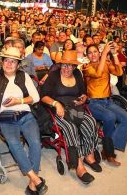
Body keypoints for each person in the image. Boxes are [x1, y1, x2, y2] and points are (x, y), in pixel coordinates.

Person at [0, 47, 47, 195]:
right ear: (2, 62)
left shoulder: (24, 76)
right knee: (13, 142)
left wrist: (19, 101)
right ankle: (35, 179)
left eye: (13, 61)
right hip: (6, 117)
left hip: (25, 114)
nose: (9, 64)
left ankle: (32, 183)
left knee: (35, 142)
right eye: (6, 61)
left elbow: (35, 97)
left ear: (18, 64)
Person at [40, 50, 100, 184]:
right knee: (70, 128)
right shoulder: (54, 76)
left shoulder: (78, 74)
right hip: (58, 110)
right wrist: (56, 104)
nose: (67, 68)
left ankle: (89, 156)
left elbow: (83, 91)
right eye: (64, 65)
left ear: (74, 66)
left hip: (75, 108)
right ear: (60, 65)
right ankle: (78, 165)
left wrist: (83, 98)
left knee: (91, 122)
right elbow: (43, 96)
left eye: (70, 66)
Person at [83, 42, 127, 166]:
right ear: (87, 55)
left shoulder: (107, 63)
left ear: (98, 53)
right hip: (92, 102)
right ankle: (109, 152)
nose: (93, 54)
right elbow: (98, 74)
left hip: (107, 101)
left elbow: (119, 73)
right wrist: (105, 53)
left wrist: (114, 54)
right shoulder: (86, 66)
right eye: (90, 52)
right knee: (110, 117)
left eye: (95, 51)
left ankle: (108, 146)